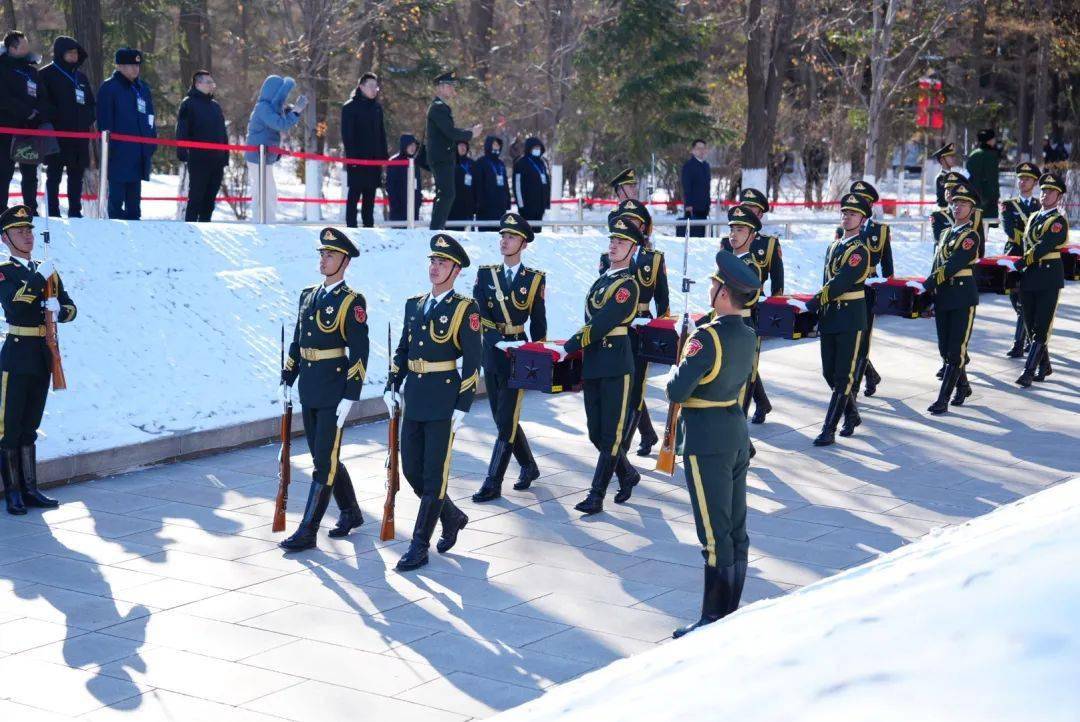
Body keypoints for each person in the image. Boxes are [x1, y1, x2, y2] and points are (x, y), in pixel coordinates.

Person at [667, 250, 760, 638]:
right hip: (735, 433)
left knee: (713, 531)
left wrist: (680, 360)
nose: (709, 288)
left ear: (723, 293)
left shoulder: (706, 340)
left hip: (706, 441)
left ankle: (712, 618)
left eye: (713, 284)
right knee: (735, 526)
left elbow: (677, 389)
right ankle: (730, 610)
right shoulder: (747, 334)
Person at [384, 234, 481, 571]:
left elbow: (472, 361)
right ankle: (451, 516)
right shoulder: (415, 304)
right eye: (432, 261)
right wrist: (392, 383)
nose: (435, 267)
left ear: (456, 269)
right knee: (412, 470)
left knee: (434, 475)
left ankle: (419, 545)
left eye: (442, 262)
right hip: (415, 397)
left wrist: (462, 405)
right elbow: (403, 350)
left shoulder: (464, 308)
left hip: (443, 398)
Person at [279, 228, 369, 550]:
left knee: (323, 462)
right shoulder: (307, 295)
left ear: (344, 261)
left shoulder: (351, 302)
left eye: (330, 255)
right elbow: (297, 341)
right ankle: (351, 511)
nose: (323, 259)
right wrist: (287, 377)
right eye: (322, 254)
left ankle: (308, 529)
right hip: (310, 388)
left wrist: (351, 393)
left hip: (333, 390)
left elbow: (360, 351)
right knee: (324, 455)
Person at [0, 205, 76, 514]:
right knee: (9, 428)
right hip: (16, 354)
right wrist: (37, 282)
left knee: (31, 426)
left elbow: (71, 309)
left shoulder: (47, 270)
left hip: (43, 354)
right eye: (20, 232)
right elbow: (15, 308)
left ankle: (31, 489)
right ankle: (14, 492)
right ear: (6, 239)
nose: (27, 236)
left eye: (29, 230)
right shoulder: (6, 271)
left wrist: (58, 307)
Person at [565, 214, 643, 515]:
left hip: (615, 363)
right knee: (596, 433)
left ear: (632, 249)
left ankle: (596, 495)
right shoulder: (602, 280)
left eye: (621, 241)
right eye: (612, 240)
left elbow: (603, 322)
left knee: (611, 433)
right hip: (595, 362)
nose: (614, 245)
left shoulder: (627, 286)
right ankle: (627, 473)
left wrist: (570, 345)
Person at [471, 213, 546, 502]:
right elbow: (479, 314)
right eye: (502, 236)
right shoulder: (486, 274)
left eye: (511, 237)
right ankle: (529, 465)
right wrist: (496, 341)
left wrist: (539, 354)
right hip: (492, 353)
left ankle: (492, 482)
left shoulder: (535, 279)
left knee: (505, 421)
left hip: (519, 355)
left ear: (523, 243)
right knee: (503, 419)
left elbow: (538, 323)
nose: (504, 241)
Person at [598, 199, 668, 458]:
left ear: (642, 228)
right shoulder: (608, 258)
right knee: (623, 385)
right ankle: (647, 433)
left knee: (636, 387)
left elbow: (663, 300)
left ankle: (621, 449)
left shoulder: (654, 258)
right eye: (623, 221)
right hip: (617, 329)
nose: (626, 226)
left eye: (633, 222)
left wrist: (663, 333)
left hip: (641, 328)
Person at [804, 193, 871, 447]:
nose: (846, 217)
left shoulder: (859, 251)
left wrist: (813, 302)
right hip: (831, 316)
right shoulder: (834, 246)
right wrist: (819, 312)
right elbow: (826, 280)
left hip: (850, 318)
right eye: (844, 212)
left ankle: (828, 429)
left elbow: (840, 282)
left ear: (862, 219)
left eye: (852, 213)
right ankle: (852, 414)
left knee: (843, 376)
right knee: (828, 373)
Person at [722, 187, 783, 424]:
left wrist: (772, 311)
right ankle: (762, 402)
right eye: (744, 207)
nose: (746, 212)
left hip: (753, 309)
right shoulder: (728, 243)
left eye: (751, 209)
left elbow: (777, 283)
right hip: (730, 309)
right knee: (743, 364)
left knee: (747, 364)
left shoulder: (769, 244)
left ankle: (749, 411)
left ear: (759, 214)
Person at [921, 182, 980, 415]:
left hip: (962, 297)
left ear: (971, 210)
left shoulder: (970, 236)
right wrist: (928, 294)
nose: (958, 207)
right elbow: (937, 263)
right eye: (955, 203)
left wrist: (927, 284)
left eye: (963, 203)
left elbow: (953, 264)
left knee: (956, 350)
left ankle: (942, 400)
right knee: (945, 349)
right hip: (944, 295)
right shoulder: (945, 233)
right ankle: (963, 386)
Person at [1014, 172, 1069, 389]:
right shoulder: (1034, 216)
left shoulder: (1058, 221)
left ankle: (1029, 372)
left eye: (1051, 192)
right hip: (1030, 276)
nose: (1046, 195)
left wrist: (1021, 261)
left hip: (1047, 277)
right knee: (1029, 324)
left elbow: (1043, 246)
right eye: (1044, 190)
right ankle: (1044, 365)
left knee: (1042, 326)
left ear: (1059, 196)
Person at [720, 205, 767, 439]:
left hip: (742, 328)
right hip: (722, 329)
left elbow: (747, 297)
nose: (734, 234)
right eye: (732, 229)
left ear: (752, 235)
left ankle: (739, 447)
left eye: (740, 229)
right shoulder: (726, 260)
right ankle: (742, 446)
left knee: (739, 392)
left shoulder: (750, 265)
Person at [38, 36, 95, 219]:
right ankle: (53, 211)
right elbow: (42, 102)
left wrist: (87, 119)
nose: (74, 56)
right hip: (57, 134)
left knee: (76, 175)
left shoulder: (81, 77)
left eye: (76, 53)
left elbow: (91, 104)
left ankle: (75, 211)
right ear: (60, 53)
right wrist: (57, 118)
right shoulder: (46, 74)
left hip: (79, 135)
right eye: (70, 52)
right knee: (54, 175)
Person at [96, 48, 156, 220]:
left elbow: (150, 116)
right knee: (116, 200)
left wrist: (151, 141)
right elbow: (104, 121)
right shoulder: (110, 88)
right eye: (131, 65)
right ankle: (114, 235)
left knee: (134, 204)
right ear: (120, 66)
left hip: (139, 152)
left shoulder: (142, 88)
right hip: (119, 153)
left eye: (138, 65)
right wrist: (110, 148)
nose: (136, 69)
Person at [848, 180, 894, 402]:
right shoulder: (844, 229)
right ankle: (871, 374)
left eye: (862, 201)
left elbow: (888, 266)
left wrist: (889, 292)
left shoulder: (880, 231)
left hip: (868, 289)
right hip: (848, 289)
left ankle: (853, 389)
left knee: (863, 339)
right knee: (851, 337)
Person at [243, 75, 306, 222]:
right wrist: (295, 112)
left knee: (269, 191)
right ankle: (261, 221)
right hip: (257, 156)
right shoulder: (263, 108)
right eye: (280, 94)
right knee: (262, 190)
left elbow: (282, 122)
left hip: (264, 156)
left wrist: (292, 111)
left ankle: (267, 220)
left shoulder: (270, 108)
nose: (282, 98)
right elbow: (280, 124)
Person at [426, 71, 482, 231]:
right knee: (447, 194)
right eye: (450, 86)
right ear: (441, 87)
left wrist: (468, 131)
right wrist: (471, 133)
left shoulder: (441, 107)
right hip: (441, 157)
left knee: (446, 194)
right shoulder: (438, 108)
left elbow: (449, 131)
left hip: (444, 157)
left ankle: (437, 227)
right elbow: (450, 132)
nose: (452, 90)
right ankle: (436, 228)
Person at [999, 161, 1041, 358]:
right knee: (1016, 300)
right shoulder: (1008, 205)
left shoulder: (1039, 206)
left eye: (1027, 179)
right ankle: (1028, 336)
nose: (1023, 182)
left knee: (1024, 302)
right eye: (1021, 179)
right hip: (1015, 256)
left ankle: (1019, 343)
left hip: (1033, 257)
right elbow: (1009, 230)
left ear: (1034, 182)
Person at [175, 70, 227, 223]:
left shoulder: (215, 106)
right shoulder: (188, 104)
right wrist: (182, 152)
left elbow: (223, 133)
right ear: (198, 84)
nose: (212, 86)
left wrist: (225, 156)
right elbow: (182, 130)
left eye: (213, 83)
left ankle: (206, 225)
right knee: (196, 196)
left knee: (210, 198)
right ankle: (190, 227)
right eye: (208, 82)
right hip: (198, 159)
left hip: (217, 160)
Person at [0, 31, 42, 214]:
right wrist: (25, 112)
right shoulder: (2, 68)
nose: (27, 49)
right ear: (11, 48)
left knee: (30, 171)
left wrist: (38, 113)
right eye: (22, 46)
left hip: (29, 129)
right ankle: (1, 207)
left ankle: (31, 207)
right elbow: (3, 98)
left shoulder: (31, 70)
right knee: (4, 171)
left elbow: (42, 96)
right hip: (6, 127)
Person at [340, 72, 387, 228]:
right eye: (371, 86)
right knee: (354, 195)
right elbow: (347, 136)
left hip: (374, 162)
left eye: (376, 86)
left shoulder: (377, 108)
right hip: (357, 160)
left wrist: (383, 158)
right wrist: (352, 160)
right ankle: (351, 228)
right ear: (361, 87)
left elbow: (381, 134)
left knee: (370, 197)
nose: (374, 90)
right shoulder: (349, 107)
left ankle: (369, 227)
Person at [513, 137, 551, 232]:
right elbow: (517, 186)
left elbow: (546, 182)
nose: (537, 150)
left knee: (538, 232)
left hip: (540, 206)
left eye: (539, 148)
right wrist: (521, 205)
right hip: (527, 206)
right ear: (529, 148)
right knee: (527, 233)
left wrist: (546, 202)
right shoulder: (521, 162)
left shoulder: (542, 163)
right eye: (535, 148)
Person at [966, 128, 1001, 227]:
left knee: (973, 225)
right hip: (988, 197)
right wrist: (995, 195)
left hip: (973, 195)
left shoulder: (974, 154)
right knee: (985, 226)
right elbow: (992, 179)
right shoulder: (991, 156)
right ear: (989, 140)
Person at [473, 135, 511, 223]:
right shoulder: (481, 162)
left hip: (500, 206)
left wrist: (507, 200)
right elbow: (478, 185)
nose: (496, 146)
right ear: (488, 145)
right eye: (494, 144)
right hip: (486, 207)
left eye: (498, 145)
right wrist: (479, 203)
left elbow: (505, 183)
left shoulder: (501, 163)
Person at [386, 134, 422, 223]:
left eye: (414, 145)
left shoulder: (415, 162)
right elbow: (390, 186)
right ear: (404, 145)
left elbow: (418, 184)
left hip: (413, 207)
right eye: (410, 145)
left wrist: (418, 199)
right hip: (398, 208)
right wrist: (395, 204)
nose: (413, 148)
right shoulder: (394, 162)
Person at [679, 139, 710, 238]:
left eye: (703, 148)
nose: (701, 151)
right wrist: (688, 204)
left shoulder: (706, 166)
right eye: (698, 148)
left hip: (704, 207)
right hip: (693, 207)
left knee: (701, 235)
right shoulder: (688, 166)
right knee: (693, 236)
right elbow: (686, 186)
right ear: (693, 150)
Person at [447, 140, 477, 228]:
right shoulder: (449, 162)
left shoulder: (472, 163)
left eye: (465, 146)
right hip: (452, 206)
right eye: (460, 146)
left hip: (468, 206)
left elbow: (476, 185)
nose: (463, 148)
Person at [931, 142, 965, 209]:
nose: (953, 159)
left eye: (953, 156)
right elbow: (943, 201)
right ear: (942, 160)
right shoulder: (941, 178)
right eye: (950, 157)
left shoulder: (955, 176)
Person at [802, 140, 827, 207]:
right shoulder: (808, 145)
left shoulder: (822, 145)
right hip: (809, 170)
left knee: (818, 188)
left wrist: (821, 168)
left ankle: (819, 204)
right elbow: (804, 158)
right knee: (808, 187)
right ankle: (808, 204)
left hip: (819, 170)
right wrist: (807, 167)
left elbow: (825, 158)